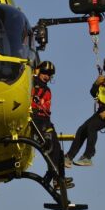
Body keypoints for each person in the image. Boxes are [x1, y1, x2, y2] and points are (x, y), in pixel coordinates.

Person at [65, 53, 105, 167]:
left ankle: (88, 157)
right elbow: (93, 93)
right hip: (103, 110)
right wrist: (96, 84)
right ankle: (68, 157)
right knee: (82, 129)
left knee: (92, 127)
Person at [31, 61, 72, 189]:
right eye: (44, 73)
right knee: (49, 147)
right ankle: (54, 178)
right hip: (35, 119)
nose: (46, 76)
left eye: (49, 74)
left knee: (58, 150)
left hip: (46, 121)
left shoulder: (47, 89)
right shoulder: (30, 82)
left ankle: (59, 179)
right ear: (38, 71)